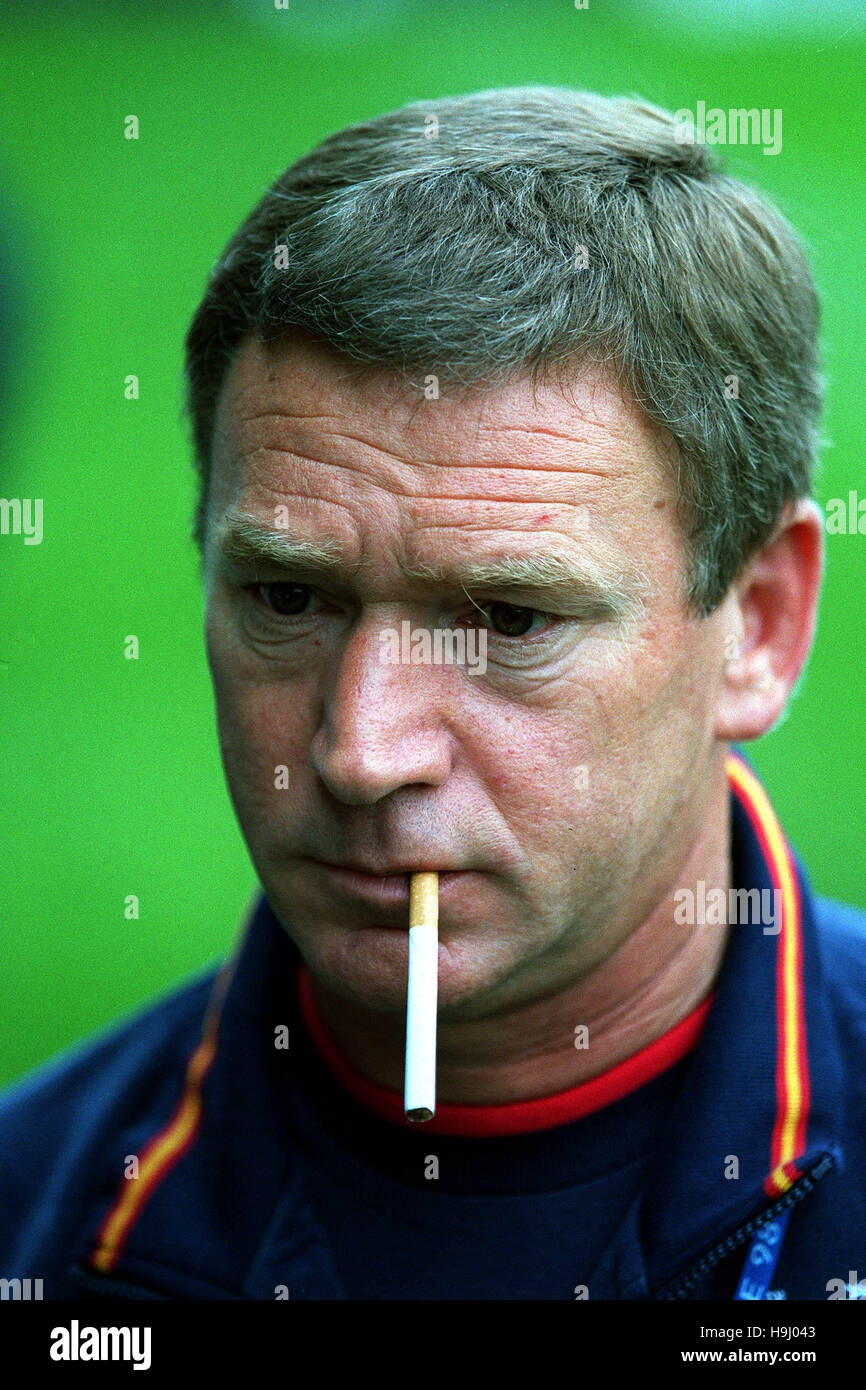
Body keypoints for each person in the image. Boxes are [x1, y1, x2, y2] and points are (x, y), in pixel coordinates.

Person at [2, 86, 864, 1302]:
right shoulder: (35, 1213)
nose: (360, 749)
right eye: (289, 600)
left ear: (758, 626)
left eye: (509, 620)